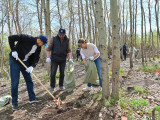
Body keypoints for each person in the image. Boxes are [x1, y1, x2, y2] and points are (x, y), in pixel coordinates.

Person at [8, 34, 48, 110]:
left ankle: (32, 98)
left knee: (29, 80)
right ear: (39, 40)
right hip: (15, 61)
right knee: (15, 82)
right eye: (42, 43)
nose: (42, 45)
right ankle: (14, 103)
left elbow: (36, 57)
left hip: (25, 62)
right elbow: (11, 38)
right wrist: (13, 50)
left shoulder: (38, 47)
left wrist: (32, 66)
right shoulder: (26, 38)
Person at [46, 28, 72, 93]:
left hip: (63, 59)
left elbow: (68, 50)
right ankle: (52, 86)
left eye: (62, 35)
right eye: (60, 34)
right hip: (54, 59)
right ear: (58, 33)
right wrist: (48, 57)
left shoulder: (67, 40)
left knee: (62, 73)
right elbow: (48, 49)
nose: (61, 36)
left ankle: (61, 85)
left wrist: (70, 58)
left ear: (65, 34)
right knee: (53, 73)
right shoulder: (54, 38)